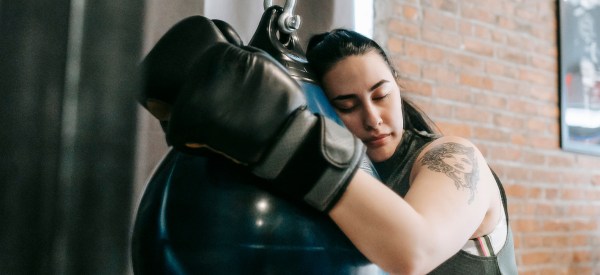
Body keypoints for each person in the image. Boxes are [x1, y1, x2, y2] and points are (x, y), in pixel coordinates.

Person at [165, 28, 517, 274]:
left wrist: (291, 136)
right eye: (346, 106)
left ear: (397, 85)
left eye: (381, 95)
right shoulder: (346, 184)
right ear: (325, 110)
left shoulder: (451, 157)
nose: (373, 119)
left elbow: (415, 251)